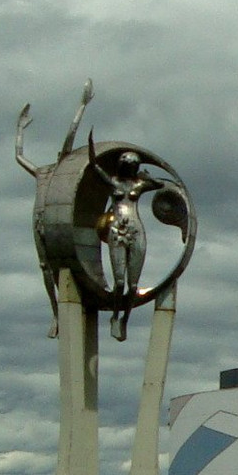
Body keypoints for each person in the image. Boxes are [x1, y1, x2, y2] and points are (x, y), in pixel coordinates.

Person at [15, 80, 93, 337]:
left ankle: (67, 309)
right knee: (44, 267)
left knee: (59, 268)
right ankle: (55, 314)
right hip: (37, 220)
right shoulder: (41, 172)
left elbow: (70, 135)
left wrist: (81, 106)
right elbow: (18, 155)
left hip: (55, 220)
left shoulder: (58, 170)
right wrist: (20, 129)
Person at [88, 130, 164, 341]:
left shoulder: (138, 184)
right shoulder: (113, 182)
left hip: (136, 230)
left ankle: (125, 321)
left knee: (132, 286)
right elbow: (95, 167)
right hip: (117, 231)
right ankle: (115, 316)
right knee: (119, 283)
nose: (130, 166)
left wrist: (148, 178)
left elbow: (159, 185)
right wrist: (91, 147)